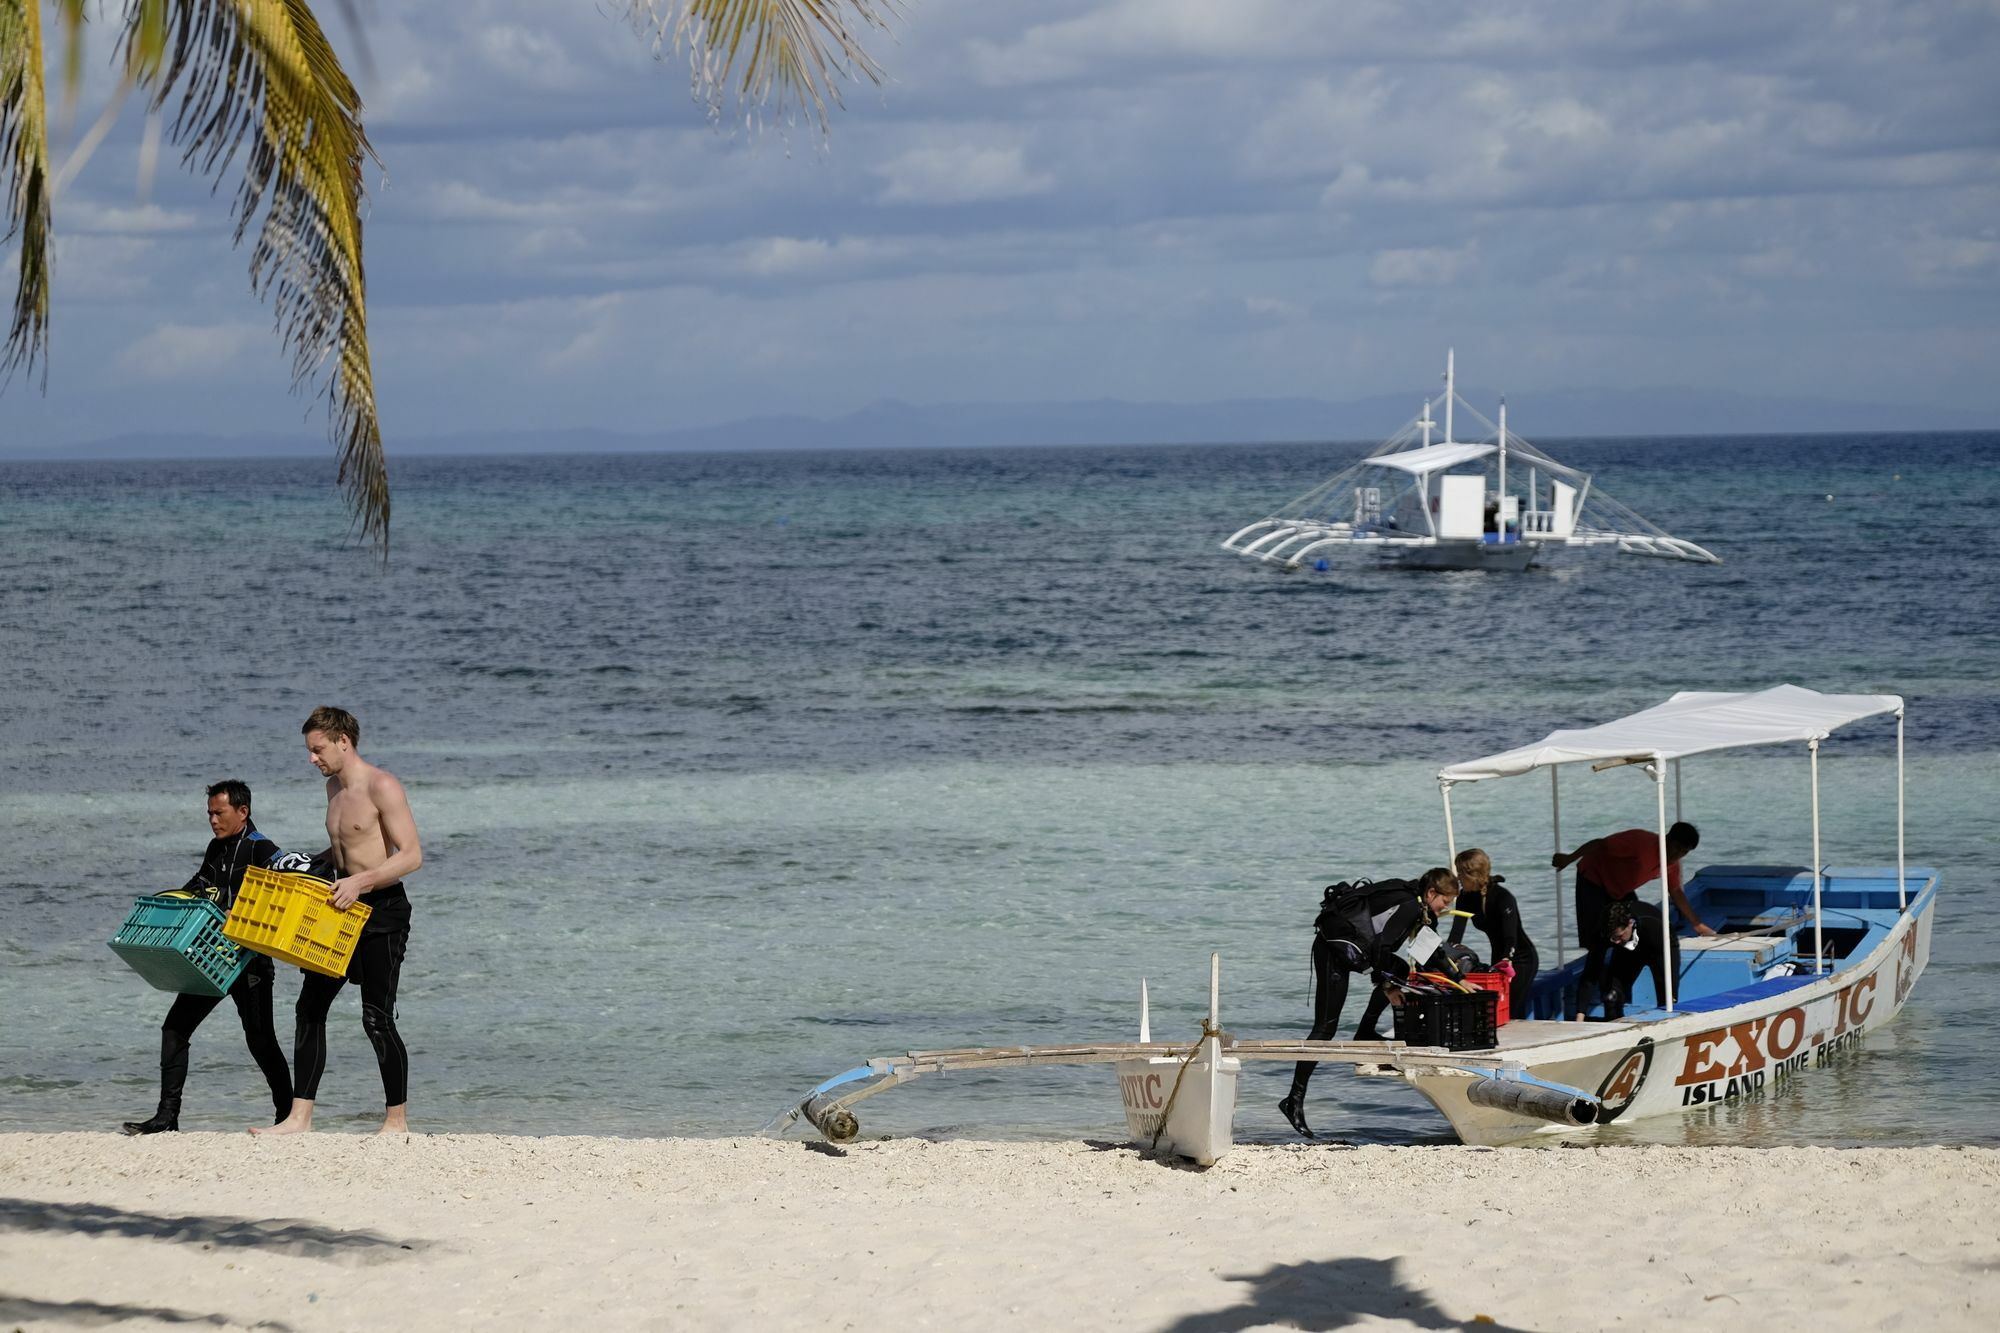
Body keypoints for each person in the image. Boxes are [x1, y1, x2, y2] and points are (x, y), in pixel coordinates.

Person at [255, 707, 422, 1136]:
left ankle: (396, 1122)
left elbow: (410, 855)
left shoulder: (382, 785)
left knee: (376, 1018)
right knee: (310, 1008)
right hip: (337, 907)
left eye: (317, 749)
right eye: (310, 751)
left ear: (343, 741)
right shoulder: (334, 787)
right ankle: (299, 1118)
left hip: (382, 910)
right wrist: (310, 862)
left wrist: (362, 881)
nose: (312, 758)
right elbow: (347, 844)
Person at [122, 781, 292, 1134]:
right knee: (174, 1029)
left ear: (242, 812)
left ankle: (287, 1115)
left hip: (250, 963)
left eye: (220, 813)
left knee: (260, 1041)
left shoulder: (262, 849)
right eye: (210, 814)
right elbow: (198, 886)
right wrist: (169, 903)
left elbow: (288, 890)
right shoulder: (215, 849)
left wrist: (241, 912)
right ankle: (167, 1118)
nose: (213, 820)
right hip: (212, 960)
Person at [1279, 867, 1459, 1138]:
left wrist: (1460, 978)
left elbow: (1429, 951)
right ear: (1432, 892)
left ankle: (1364, 1030)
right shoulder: (1410, 905)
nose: (1445, 908)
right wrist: (1386, 986)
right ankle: (1293, 1099)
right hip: (1333, 951)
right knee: (1325, 1029)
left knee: (1398, 970)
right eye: (1445, 902)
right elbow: (1381, 948)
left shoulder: (1418, 906)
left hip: (1354, 951)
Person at [1552, 821, 1709, 1014]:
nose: (1677, 855)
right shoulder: (1640, 842)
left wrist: (1697, 924)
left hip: (1620, 891)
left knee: (1635, 930)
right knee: (1598, 943)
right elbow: (1599, 844)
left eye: (1684, 852)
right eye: (1676, 848)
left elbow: (1676, 892)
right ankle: (1584, 1005)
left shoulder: (1671, 865)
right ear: (1667, 839)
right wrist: (1569, 858)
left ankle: (1615, 988)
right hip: (1593, 880)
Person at [1446, 848, 1539, 1020]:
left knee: (1511, 1009)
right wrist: (1445, 958)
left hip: (1520, 958)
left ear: (1473, 875)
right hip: (1498, 958)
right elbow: (1455, 936)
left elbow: (1511, 937)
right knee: (1496, 1009)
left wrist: (1506, 959)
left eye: (1460, 873)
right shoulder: (1464, 899)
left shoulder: (1502, 897)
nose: (1457, 877)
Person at [1599, 899, 1675, 1018]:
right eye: (1613, 938)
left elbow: (1669, 955)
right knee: (1611, 997)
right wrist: (1580, 1013)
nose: (1616, 941)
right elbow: (1591, 969)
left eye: (1619, 936)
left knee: (1667, 997)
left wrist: (1672, 991)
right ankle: (1615, 1028)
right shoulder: (1612, 937)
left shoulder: (1653, 927)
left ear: (1630, 924)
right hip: (1628, 952)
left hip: (1657, 949)